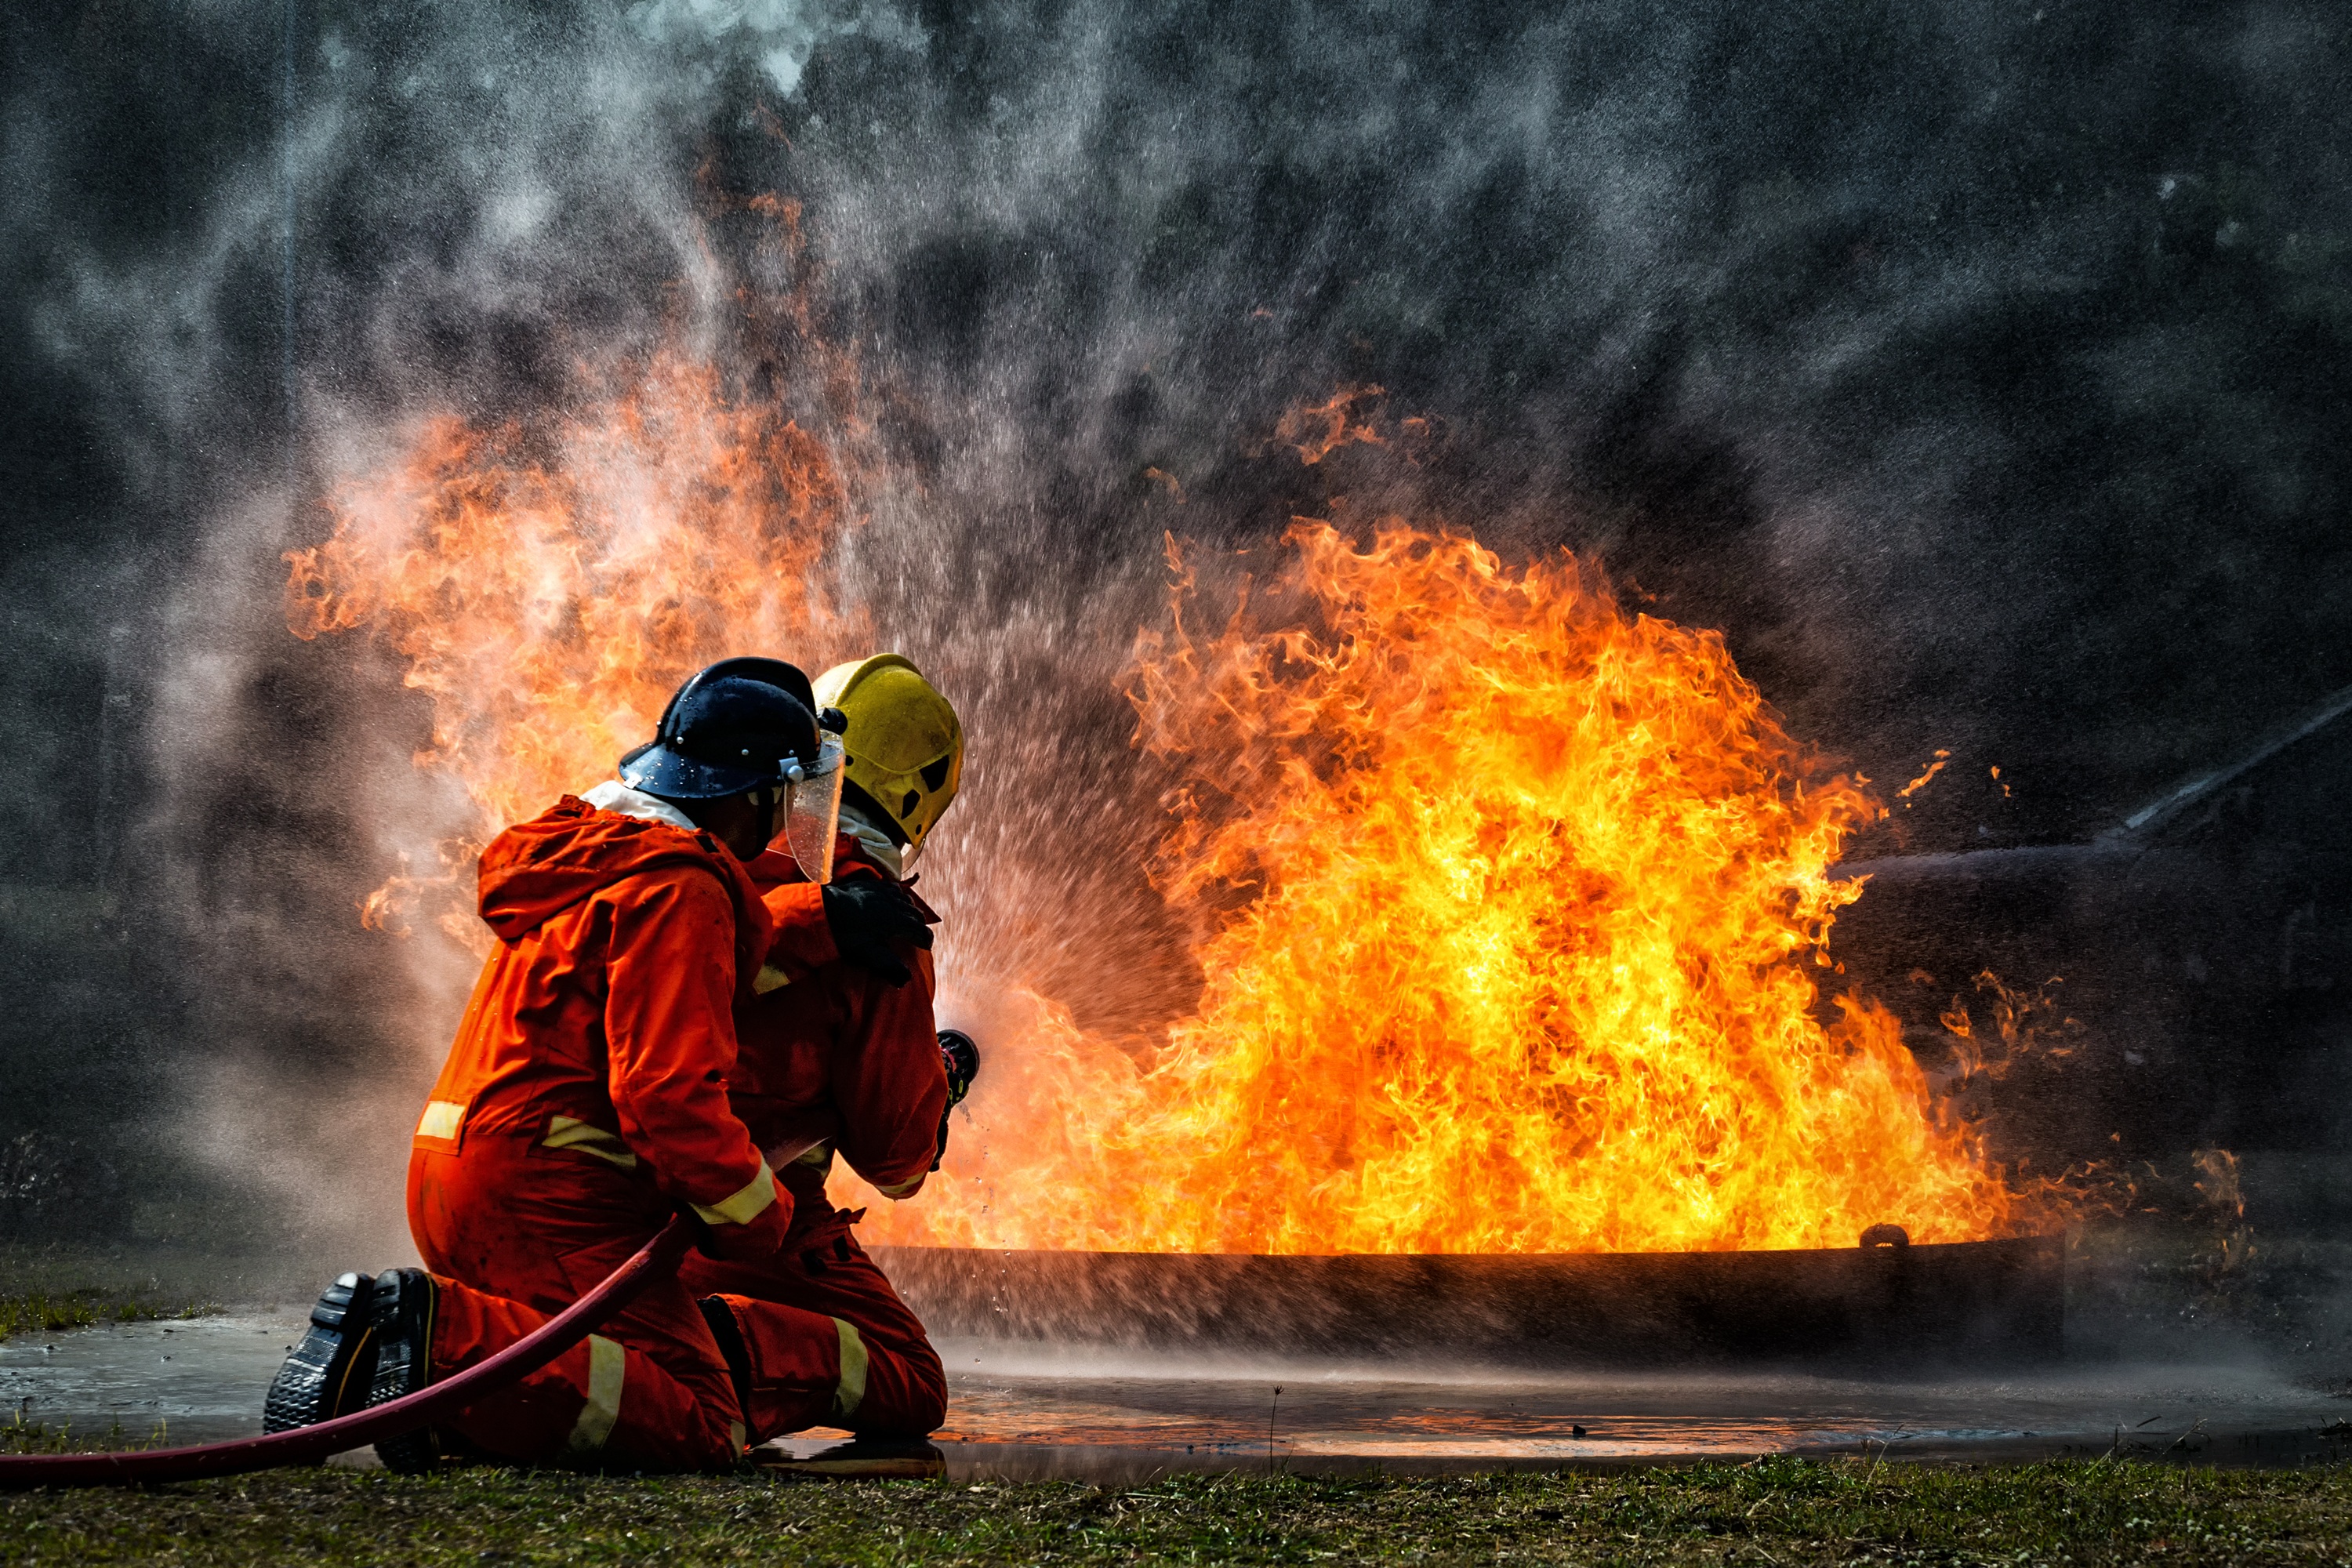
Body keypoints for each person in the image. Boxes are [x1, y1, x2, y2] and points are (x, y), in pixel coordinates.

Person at [263, 658, 838, 1471]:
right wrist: (761, 1218)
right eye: (782, 798)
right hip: (550, 1193)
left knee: (569, 1365)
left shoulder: (597, 859)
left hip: (453, 1169)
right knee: (705, 1416)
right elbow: (665, 1095)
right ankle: (429, 1338)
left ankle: (443, 1403)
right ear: (752, 794)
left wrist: (820, 918)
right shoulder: (682, 888)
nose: (787, 820)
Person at [683, 653, 976, 1449]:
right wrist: (938, 1085)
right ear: (923, 793)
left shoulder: (707, 843)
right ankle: (712, 1355)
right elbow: (896, 1163)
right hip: (753, 1220)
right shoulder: (880, 924)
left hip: (615, 1202)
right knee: (908, 1377)